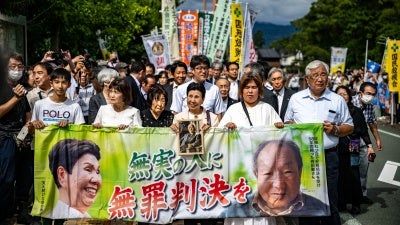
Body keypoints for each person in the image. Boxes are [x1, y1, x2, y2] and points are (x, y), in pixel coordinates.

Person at [285, 60, 354, 225]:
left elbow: (350, 126)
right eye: (315, 75)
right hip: (304, 158)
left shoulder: (337, 100)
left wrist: (335, 130)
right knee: (306, 201)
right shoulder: (296, 98)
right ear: (307, 79)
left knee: (330, 200)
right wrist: (291, 127)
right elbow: (287, 123)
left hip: (328, 156)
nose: (320, 79)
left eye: (323, 74)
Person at [218, 71, 283, 225]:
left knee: (261, 206)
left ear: (259, 90)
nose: (250, 91)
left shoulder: (267, 109)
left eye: (254, 87)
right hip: (239, 167)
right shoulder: (233, 110)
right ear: (241, 90)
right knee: (240, 201)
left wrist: (280, 127)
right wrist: (227, 127)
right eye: (247, 87)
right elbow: (219, 136)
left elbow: (280, 138)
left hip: (263, 169)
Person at [222, 140, 329, 217]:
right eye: (268, 173)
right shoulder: (235, 210)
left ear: (299, 172)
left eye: (287, 172)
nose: (278, 184)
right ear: (256, 175)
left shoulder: (318, 208)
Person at [0, 52, 31, 224]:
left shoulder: (22, 87)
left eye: (20, 67)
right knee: (6, 179)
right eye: (13, 66)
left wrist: (29, 125)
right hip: (4, 139)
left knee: (24, 177)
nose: (17, 70)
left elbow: (27, 114)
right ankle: (3, 215)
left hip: (22, 138)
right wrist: (14, 98)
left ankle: (22, 212)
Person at [335, 85, 374, 215]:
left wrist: (369, 146)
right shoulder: (332, 110)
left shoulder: (356, 111)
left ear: (349, 96)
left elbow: (363, 130)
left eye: (344, 94)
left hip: (353, 144)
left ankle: (356, 203)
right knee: (340, 175)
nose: (342, 96)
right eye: (339, 94)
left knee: (354, 174)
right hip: (337, 146)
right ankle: (342, 202)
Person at [46, 139, 102, 219]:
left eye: (97, 171)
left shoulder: (86, 217)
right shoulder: (55, 216)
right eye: (88, 169)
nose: (96, 179)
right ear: (62, 175)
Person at [351, 81, 382, 204]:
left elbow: (372, 124)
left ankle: (362, 194)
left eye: (373, 95)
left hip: (364, 141)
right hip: (350, 140)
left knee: (363, 169)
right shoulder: (350, 103)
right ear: (360, 93)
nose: (371, 97)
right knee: (351, 168)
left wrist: (378, 139)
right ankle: (347, 196)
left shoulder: (369, 106)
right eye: (368, 93)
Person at [170, 55, 224, 120]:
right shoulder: (181, 89)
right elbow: (176, 113)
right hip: (186, 128)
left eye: (206, 68)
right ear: (192, 70)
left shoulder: (214, 89)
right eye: (199, 68)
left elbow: (219, 114)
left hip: (208, 128)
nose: (203, 71)